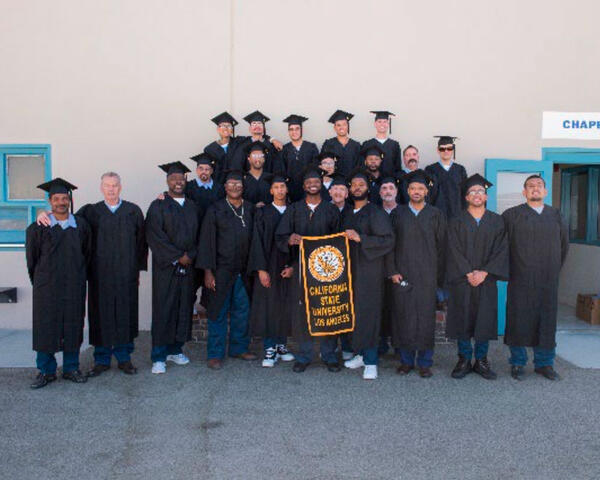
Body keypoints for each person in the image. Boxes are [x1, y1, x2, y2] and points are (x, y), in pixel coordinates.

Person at [36, 172, 148, 377]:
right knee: (101, 316)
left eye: (115, 185)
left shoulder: (133, 211)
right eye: (107, 185)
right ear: (101, 188)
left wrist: (137, 269)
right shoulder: (90, 212)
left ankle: (124, 358)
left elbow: (142, 242)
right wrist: (43, 214)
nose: (111, 189)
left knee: (125, 314)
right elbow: (65, 221)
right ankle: (102, 359)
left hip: (126, 275)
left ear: (120, 187)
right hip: (99, 275)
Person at [502, 175, 569, 381]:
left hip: (548, 279)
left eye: (539, 186)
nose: (535, 189)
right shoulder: (511, 215)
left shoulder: (555, 215)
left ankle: (544, 364)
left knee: (546, 321)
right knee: (519, 320)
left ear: (545, 192)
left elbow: (563, 246)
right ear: (524, 192)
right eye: (530, 186)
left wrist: (553, 269)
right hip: (520, 278)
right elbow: (502, 247)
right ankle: (518, 362)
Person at [275, 166, 341, 373]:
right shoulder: (294, 209)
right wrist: (289, 240)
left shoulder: (331, 210)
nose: (313, 185)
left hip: (327, 271)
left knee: (327, 312)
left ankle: (329, 355)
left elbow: (339, 241)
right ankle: (304, 356)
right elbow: (280, 236)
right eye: (308, 182)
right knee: (302, 314)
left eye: (316, 182)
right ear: (303, 186)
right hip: (301, 269)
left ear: (321, 185)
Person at [27, 178, 91, 388]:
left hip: (74, 285)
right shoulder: (37, 228)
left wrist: (80, 277)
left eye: (65, 198)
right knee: (45, 327)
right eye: (57, 199)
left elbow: (87, 255)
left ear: (69, 200)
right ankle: (46, 371)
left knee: (72, 325)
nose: (61, 202)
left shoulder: (81, 225)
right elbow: (32, 260)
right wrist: (40, 282)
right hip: (47, 287)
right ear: (50, 201)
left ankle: (71, 367)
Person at [446, 174, 509, 380]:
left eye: (480, 191)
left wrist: (484, 272)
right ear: (466, 197)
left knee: (485, 319)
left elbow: (502, 250)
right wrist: (467, 272)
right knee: (462, 318)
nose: (477, 194)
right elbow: (452, 249)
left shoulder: (497, 221)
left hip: (486, 280)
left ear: (486, 196)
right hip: (462, 279)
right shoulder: (456, 220)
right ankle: (464, 359)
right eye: (472, 192)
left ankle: (481, 360)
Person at [387, 169, 446, 378]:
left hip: (428, 276)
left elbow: (442, 248)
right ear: (408, 190)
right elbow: (390, 244)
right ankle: (405, 361)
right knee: (404, 317)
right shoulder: (398, 213)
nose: (416, 191)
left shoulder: (436, 214)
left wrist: (439, 278)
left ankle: (424, 362)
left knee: (425, 319)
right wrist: (392, 270)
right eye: (413, 188)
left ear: (426, 191)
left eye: (420, 188)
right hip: (402, 274)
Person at [197, 170, 258, 369]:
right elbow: (206, 241)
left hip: (244, 271)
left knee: (243, 311)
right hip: (220, 271)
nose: (234, 187)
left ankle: (239, 348)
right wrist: (208, 271)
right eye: (231, 184)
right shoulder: (215, 209)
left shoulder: (250, 209)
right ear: (225, 187)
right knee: (217, 312)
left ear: (243, 187)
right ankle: (215, 353)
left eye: (238, 184)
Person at [146, 162, 199, 374]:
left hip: (188, 268)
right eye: (174, 179)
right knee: (164, 309)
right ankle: (158, 356)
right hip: (166, 269)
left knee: (183, 308)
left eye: (181, 179)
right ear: (167, 181)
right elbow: (154, 236)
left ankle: (176, 350)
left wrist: (191, 256)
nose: (178, 182)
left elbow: (201, 236)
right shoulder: (158, 205)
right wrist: (178, 257)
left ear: (186, 181)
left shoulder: (193, 206)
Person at [341, 169, 394, 380]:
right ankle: (361, 355)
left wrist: (361, 238)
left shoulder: (376, 213)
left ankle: (371, 361)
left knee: (369, 315)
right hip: (350, 272)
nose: (357, 188)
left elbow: (388, 240)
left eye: (361, 185)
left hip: (369, 272)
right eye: (353, 185)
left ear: (368, 188)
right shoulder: (346, 213)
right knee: (354, 314)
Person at [248, 174, 295, 367]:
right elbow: (256, 242)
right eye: (276, 187)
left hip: (288, 266)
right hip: (269, 265)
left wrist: (294, 266)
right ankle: (270, 348)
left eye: (282, 187)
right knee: (269, 306)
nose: (280, 190)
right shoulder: (263, 212)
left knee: (285, 305)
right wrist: (261, 269)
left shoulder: (294, 211)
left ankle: (282, 345)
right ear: (271, 191)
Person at [378, 175, 401, 355]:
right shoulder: (374, 213)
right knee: (380, 307)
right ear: (379, 193)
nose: (387, 191)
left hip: (399, 268)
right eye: (384, 188)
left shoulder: (404, 213)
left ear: (396, 192)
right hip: (377, 268)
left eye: (391, 188)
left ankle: (400, 346)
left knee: (399, 308)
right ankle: (380, 345)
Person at [425, 136, 468, 220]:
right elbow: (428, 195)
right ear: (438, 150)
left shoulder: (460, 170)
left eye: (449, 148)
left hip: (457, 218)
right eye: (442, 149)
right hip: (436, 218)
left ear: (453, 149)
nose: (446, 151)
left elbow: (465, 195)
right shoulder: (430, 170)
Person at [279, 114, 319, 202]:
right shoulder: (285, 150)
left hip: (308, 190)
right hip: (290, 191)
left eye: (297, 129)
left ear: (301, 130)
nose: (294, 132)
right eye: (291, 129)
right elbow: (282, 171)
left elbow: (315, 169)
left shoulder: (311, 147)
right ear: (288, 131)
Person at [320, 110, 361, 176]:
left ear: (348, 126)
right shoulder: (328, 144)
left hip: (351, 182)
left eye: (344, 124)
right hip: (333, 182)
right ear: (335, 127)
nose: (341, 127)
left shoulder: (356, 145)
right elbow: (323, 164)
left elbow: (359, 165)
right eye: (338, 125)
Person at [361, 111, 401, 177]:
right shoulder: (367, 144)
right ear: (375, 124)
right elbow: (363, 166)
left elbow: (397, 167)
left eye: (385, 122)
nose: (382, 124)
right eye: (379, 121)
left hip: (389, 182)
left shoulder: (394, 145)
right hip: (371, 181)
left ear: (388, 124)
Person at [203, 111, 240, 183]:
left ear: (232, 130)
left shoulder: (238, 143)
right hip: (218, 183)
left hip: (235, 183)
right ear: (218, 129)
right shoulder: (210, 149)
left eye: (229, 126)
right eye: (223, 125)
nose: (226, 128)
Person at [242, 141, 273, 207]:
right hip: (248, 215)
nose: (258, 159)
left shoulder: (271, 178)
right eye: (254, 155)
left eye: (260, 155)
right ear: (249, 159)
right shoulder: (242, 179)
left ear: (264, 159)